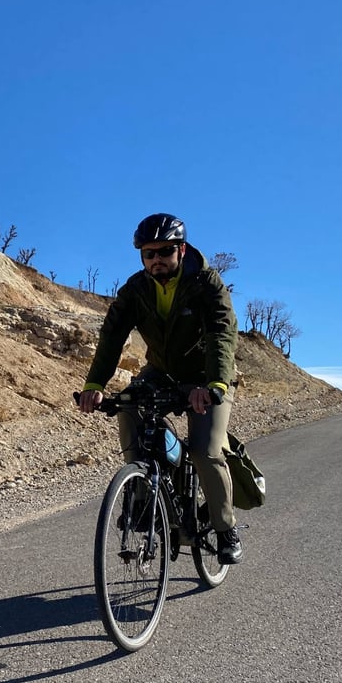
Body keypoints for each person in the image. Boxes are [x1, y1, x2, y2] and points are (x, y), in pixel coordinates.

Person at [77, 212, 242, 564]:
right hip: (162, 371)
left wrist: (213, 384)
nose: (156, 260)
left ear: (181, 251)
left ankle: (226, 528)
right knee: (128, 408)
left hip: (208, 375)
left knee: (205, 450)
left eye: (164, 251)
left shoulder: (206, 283)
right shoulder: (136, 290)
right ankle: (141, 497)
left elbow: (221, 334)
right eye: (148, 253)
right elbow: (111, 338)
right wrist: (94, 384)